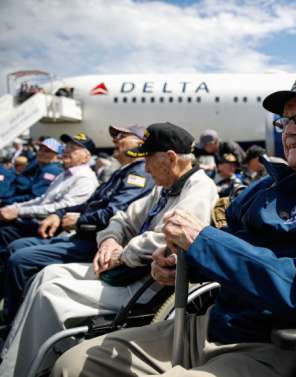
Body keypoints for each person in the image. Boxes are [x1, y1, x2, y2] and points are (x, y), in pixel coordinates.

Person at [52, 67, 296, 377]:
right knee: (74, 364)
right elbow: (235, 250)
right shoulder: (271, 184)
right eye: (285, 121)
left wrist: (205, 242)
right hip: (220, 325)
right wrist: (184, 261)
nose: (291, 130)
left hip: (290, 343)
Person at [0, 123, 218, 377]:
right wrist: (110, 240)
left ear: (170, 158)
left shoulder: (200, 190)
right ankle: (15, 362)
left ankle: (23, 370)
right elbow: (123, 218)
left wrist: (122, 254)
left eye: (148, 160)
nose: (145, 168)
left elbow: (166, 239)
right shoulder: (164, 188)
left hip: (148, 285)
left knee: (50, 293)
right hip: (129, 271)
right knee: (46, 275)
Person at [0, 125, 155, 328]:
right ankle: (18, 316)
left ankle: (11, 325)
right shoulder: (123, 172)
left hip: (99, 242)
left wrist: (78, 220)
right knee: (16, 248)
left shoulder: (139, 174)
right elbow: (91, 204)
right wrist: (60, 214)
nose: (115, 140)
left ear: (140, 143)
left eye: (122, 136)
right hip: (83, 236)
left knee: (20, 259)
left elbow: (114, 212)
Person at [0, 133, 99, 248]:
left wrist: (19, 211)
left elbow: (64, 208)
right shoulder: (65, 174)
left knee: (4, 232)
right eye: (66, 147)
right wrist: (15, 207)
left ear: (86, 157)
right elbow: (43, 199)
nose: (66, 151)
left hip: (53, 229)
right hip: (38, 222)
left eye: (73, 149)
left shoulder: (85, 178)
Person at [0, 138, 64, 206]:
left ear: (58, 155)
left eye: (47, 151)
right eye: (40, 149)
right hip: (10, 195)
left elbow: (34, 197)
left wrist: (5, 201)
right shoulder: (40, 165)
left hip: (15, 204)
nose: (41, 152)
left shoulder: (51, 170)